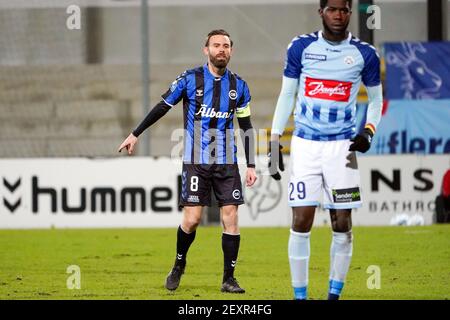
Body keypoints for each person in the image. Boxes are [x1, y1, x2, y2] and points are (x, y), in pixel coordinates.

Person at [118, 29, 257, 294]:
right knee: (192, 219)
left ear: (231, 51)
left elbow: (246, 125)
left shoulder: (239, 86)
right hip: (196, 160)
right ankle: (179, 265)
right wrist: (135, 134)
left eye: (226, 46)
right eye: (216, 45)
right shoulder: (190, 79)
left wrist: (250, 164)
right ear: (206, 50)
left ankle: (229, 278)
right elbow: (162, 106)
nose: (221, 50)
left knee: (231, 217)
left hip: (227, 162)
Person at [268, 0, 383, 300]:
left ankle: (334, 296)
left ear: (349, 13)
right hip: (305, 146)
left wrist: (368, 132)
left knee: (342, 223)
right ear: (321, 12)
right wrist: (274, 138)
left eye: (344, 9)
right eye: (332, 9)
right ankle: (300, 297)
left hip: (342, 149)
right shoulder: (301, 47)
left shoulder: (365, 54)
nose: (338, 15)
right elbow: (287, 94)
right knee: (301, 220)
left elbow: (375, 100)